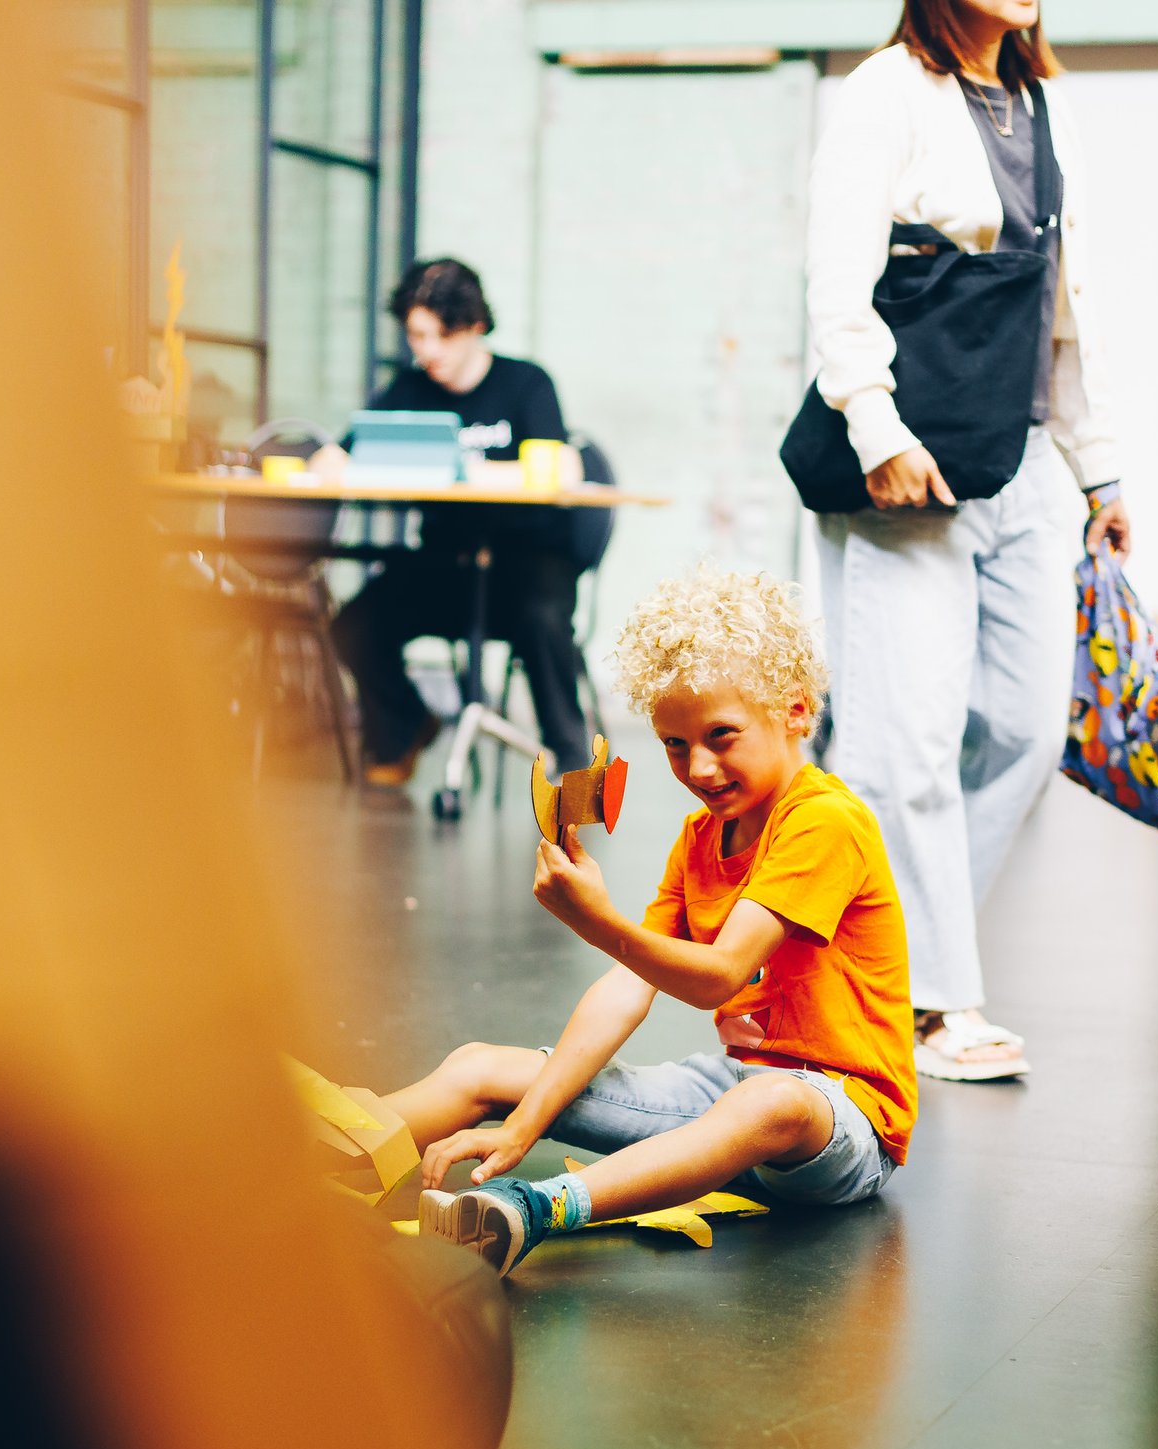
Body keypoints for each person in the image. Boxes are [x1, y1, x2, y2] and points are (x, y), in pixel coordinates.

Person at [384, 567, 914, 1277]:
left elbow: (720, 973)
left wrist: (599, 921)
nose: (698, 765)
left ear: (794, 712)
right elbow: (626, 989)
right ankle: (326, 1147)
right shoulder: (702, 836)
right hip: (730, 1089)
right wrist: (521, 1123)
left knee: (772, 1100)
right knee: (481, 1065)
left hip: (842, 1126)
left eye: (722, 736)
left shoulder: (824, 820)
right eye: (673, 743)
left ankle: (533, 1209)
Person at [806, 0, 1133, 1082]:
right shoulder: (884, 91)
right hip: (916, 451)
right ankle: (934, 997)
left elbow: (1062, 305)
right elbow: (837, 288)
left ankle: (884, 953)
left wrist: (1098, 469)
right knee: (905, 745)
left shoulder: (1044, 102)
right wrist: (876, 430)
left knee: (1030, 729)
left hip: (1028, 457)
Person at [325, 258, 594, 780]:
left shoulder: (526, 384)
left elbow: (563, 468)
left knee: (543, 617)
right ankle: (405, 728)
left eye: (439, 336)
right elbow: (337, 456)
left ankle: (574, 763)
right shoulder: (410, 389)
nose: (426, 351)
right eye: (415, 336)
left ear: (473, 327)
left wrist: (465, 470)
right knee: (355, 626)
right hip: (444, 564)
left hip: (529, 562)